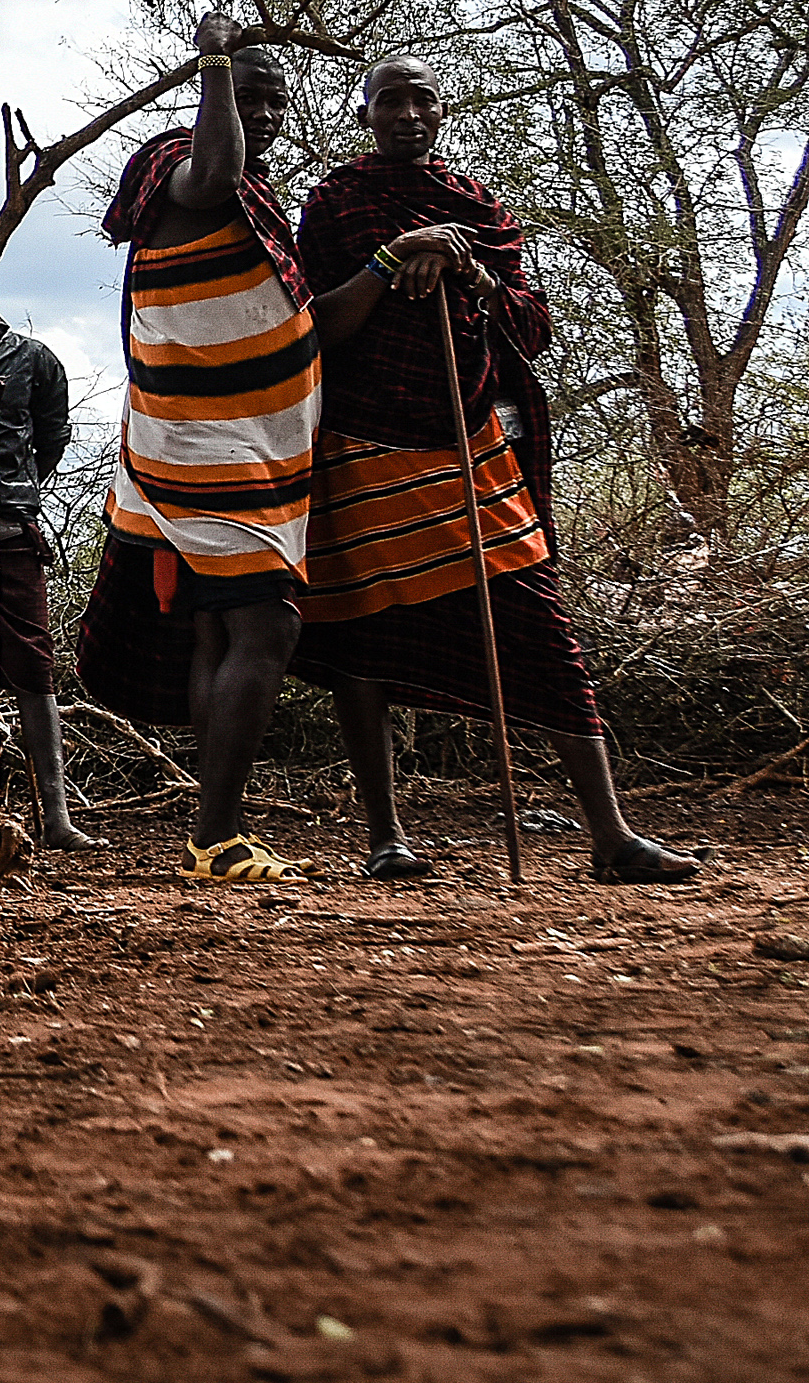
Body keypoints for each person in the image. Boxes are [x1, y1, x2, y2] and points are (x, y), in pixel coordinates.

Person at [294, 57, 701, 883]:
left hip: (473, 441)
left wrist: (469, 270)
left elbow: (532, 326)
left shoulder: (478, 208)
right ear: (365, 113)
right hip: (363, 447)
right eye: (390, 101)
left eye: (422, 98)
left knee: (542, 630)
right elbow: (315, 326)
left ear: (441, 109)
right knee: (363, 643)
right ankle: (387, 838)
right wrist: (390, 257)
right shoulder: (336, 203)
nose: (408, 112)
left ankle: (612, 836)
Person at [71, 21, 322, 881]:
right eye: (243, 95)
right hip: (204, 445)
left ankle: (213, 831)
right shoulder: (179, 171)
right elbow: (215, 167)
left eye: (272, 100)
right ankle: (215, 834)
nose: (261, 114)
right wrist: (216, 54)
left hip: (253, 447)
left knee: (224, 628)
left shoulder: (258, 201)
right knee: (269, 625)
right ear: (209, 93)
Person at [0, 271, 94, 848]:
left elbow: (52, 433)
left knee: (33, 668)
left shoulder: (31, 359)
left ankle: (56, 816)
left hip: (12, 527)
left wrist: (16, 489)